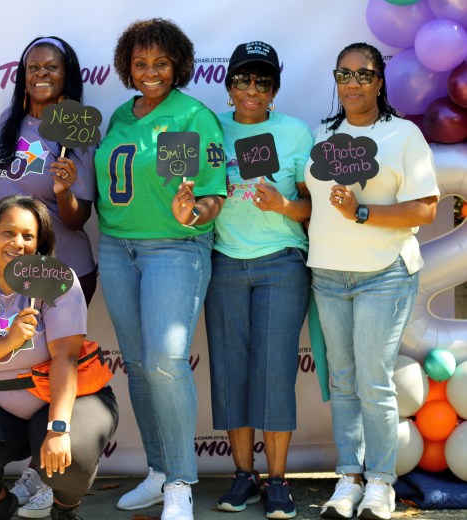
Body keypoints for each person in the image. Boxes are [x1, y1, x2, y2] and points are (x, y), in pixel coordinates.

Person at [94, 18, 226, 520]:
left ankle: (180, 483)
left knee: (166, 361)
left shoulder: (192, 117)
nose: (150, 72)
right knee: (138, 365)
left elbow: (213, 197)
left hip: (175, 248)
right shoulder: (119, 117)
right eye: (140, 63)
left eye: (161, 63)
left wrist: (191, 213)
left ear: (178, 66)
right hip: (116, 248)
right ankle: (156, 471)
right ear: (128, 67)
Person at [306, 43, 439, 520]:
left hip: (383, 274)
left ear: (380, 81)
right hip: (327, 274)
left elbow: (425, 208)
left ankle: (381, 482)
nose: (353, 83)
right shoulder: (323, 134)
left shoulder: (403, 135)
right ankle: (348, 478)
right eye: (344, 74)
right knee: (342, 382)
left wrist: (361, 211)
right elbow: (309, 200)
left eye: (363, 75)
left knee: (375, 383)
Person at [0, 194, 118, 520]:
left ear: (39, 242)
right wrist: (9, 341)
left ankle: (64, 508)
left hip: (59, 399)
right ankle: (0, 502)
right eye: (8, 233)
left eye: (28, 236)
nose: (18, 243)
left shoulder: (56, 280)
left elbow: (66, 357)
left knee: (69, 457)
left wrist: (58, 429)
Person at [0, 36, 97, 517]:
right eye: (33, 67)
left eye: (52, 67)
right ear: (22, 74)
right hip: (6, 275)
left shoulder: (77, 130)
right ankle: (32, 469)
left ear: (67, 75)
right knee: (21, 372)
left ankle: (49, 474)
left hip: (60, 273)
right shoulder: (9, 123)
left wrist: (65, 191)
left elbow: (74, 219)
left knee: (53, 374)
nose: (41, 74)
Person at [205, 41, 312, 520]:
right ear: (228, 86)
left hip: (282, 262)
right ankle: (243, 475)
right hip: (225, 261)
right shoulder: (209, 128)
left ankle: (278, 481)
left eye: (263, 81)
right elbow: (193, 193)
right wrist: (204, 197)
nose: (252, 89)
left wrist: (284, 206)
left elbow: (314, 207)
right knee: (230, 372)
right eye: (244, 79)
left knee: (274, 372)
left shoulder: (295, 133)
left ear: (275, 90)